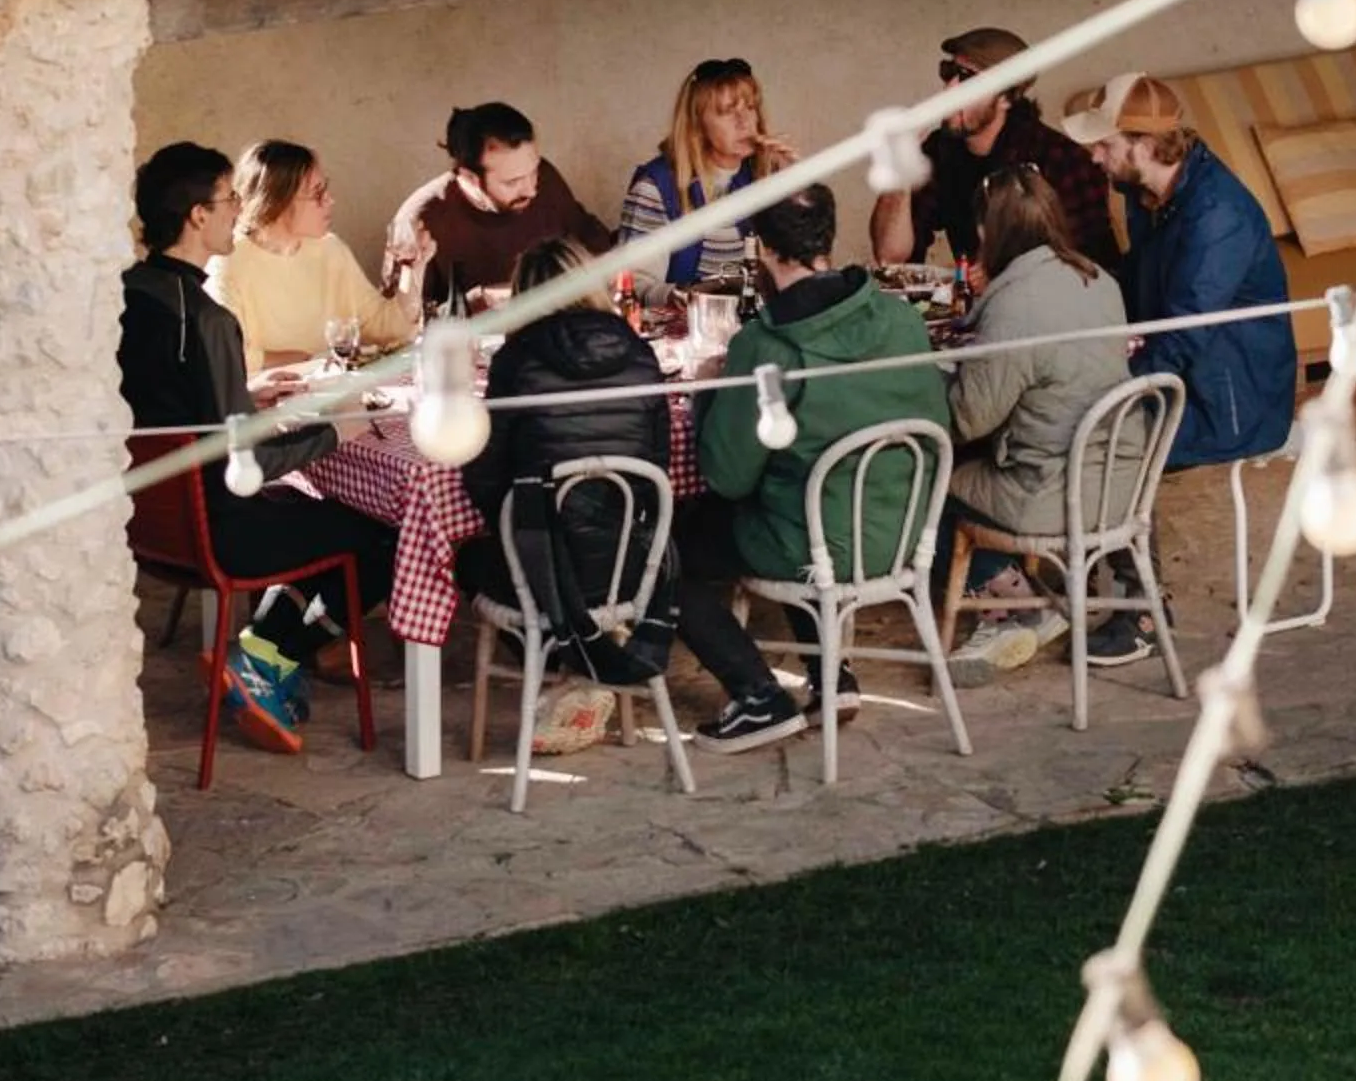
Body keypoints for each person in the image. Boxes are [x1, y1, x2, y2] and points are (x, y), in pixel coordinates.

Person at [458, 237, 821, 751]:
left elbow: (487, 473)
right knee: (666, 560)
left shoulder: (515, 361)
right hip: (630, 552)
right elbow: (655, 463)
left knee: (469, 558)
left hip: (549, 563)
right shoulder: (635, 350)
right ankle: (758, 691)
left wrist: (522, 521)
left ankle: (573, 669)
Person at [120, 140, 400, 756]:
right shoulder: (210, 320)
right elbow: (244, 466)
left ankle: (262, 653)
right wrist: (334, 433)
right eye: (228, 200)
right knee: (383, 530)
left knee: (323, 522)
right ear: (197, 215)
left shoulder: (132, 294)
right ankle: (263, 655)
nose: (237, 211)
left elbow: (181, 411)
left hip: (154, 521)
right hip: (221, 527)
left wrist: (246, 389)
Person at [693, 182, 951, 749]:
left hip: (815, 546)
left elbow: (726, 476)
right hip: (904, 533)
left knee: (666, 549)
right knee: (806, 491)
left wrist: (709, 395)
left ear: (761, 249)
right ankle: (833, 679)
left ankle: (758, 695)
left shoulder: (767, 348)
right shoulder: (900, 318)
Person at [1059, 71, 1298, 667]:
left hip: (1232, 397)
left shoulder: (1216, 215)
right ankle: (1082, 582)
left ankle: (1141, 610)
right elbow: (1144, 289)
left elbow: (1184, 332)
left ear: (1141, 143)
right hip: (1188, 369)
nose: (1093, 156)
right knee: (1075, 409)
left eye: (1104, 144)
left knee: (1104, 439)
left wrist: (1122, 388)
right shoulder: (1146, 193)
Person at [943, 166, 1131, 672]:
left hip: (1053, 492)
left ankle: (1014, 604)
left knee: (927, 478)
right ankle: (1020, 596)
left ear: (991, 231)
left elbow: (968, 421)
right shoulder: (1098, 279)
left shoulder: (1014, 305)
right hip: (1119, 481)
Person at [870, 26, 1120, 277]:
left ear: (1006, 99)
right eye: (948, 72)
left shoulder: (1061, 161)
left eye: (968, 78)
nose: (949, 90)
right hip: (979, 308)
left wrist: (1005, 274)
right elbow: (890, 258)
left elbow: (1092, 267)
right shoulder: (940, 149)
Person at [209, 139, 419, 379]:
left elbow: (388, 328)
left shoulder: (330, 249)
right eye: (317, 193)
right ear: (278, 202)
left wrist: (413, 266)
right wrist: (301, 359)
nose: (330, 200)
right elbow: (226, 356)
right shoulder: (229, 261)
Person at [381, 103, 611, 308]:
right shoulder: (422, 219)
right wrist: (473, 303)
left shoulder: (547, 180)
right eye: (512, 182)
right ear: (470, 178)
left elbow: (597, 247)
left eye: (533, 173)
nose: (531, 189)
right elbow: (397, 327)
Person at [616, 58, 795, 293]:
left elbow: (799, 271)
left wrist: (795, 188)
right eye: (727, 112)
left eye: (750, 108)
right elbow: (635, 288)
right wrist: (705, 297)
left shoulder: (763, 177)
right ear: (698, 126)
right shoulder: (655, 188)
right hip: (684, 326)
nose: (744, 123)